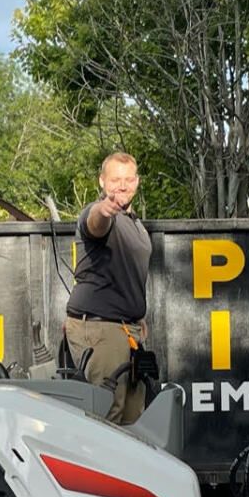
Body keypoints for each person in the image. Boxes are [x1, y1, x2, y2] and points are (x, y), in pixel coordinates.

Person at [64, 151, 152, 425]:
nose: (122, 186)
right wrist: (103, 210)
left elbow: (127, 273)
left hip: (128, 330)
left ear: (137, 182)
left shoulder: (135, 223)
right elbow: (95, 223)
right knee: (106, 417)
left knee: (132, 418)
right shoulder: (102, 213)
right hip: (102, 329)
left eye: (128, 179)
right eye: (115, 179)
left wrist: (138, 317)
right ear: (102, 182)